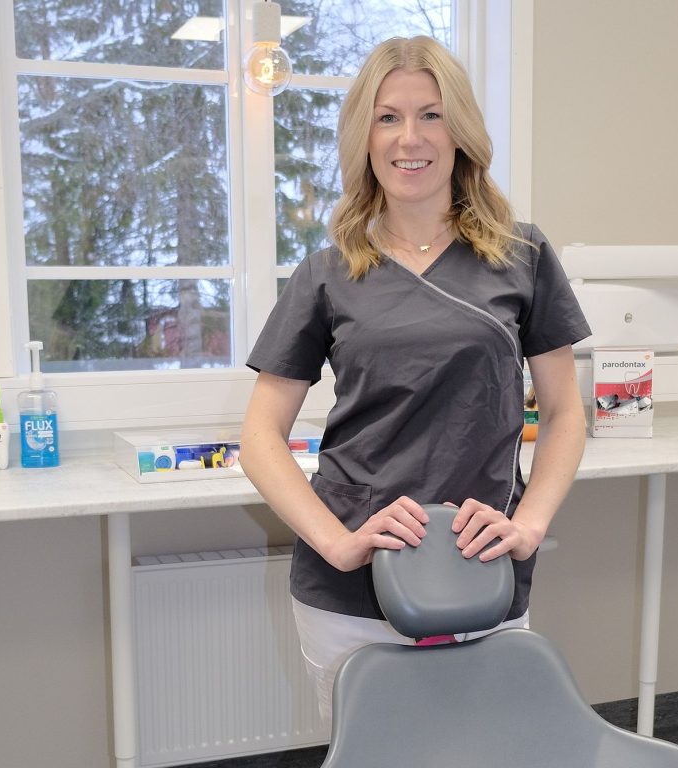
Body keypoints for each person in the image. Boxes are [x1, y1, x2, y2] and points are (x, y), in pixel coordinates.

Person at [240, 35, 591, 723]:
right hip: (351, 590)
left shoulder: (522, 256)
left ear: (460, 133)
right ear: (365, 137)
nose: (410, 138)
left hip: (480, 565)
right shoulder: (327, 273)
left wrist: (529, 524)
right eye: (388, 117)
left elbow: (563, 413)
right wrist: (337, 542)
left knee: (483, 749)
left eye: (431, 115)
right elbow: (259, 436)